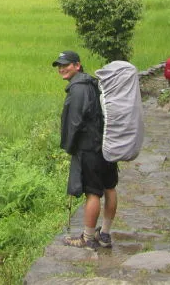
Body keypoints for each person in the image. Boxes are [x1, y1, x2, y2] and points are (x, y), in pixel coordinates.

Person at [54, 50, 118, 250]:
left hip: (90, 148)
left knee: (93, 193)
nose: (62, 68)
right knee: (109, 188)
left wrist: (70, 147)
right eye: (59, 65)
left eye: (66, 64)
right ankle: (105, 234)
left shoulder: (78, 89)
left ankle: (88, 238)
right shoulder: (92, 83)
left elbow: (75, 122)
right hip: (106, 144)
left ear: (77, 65)